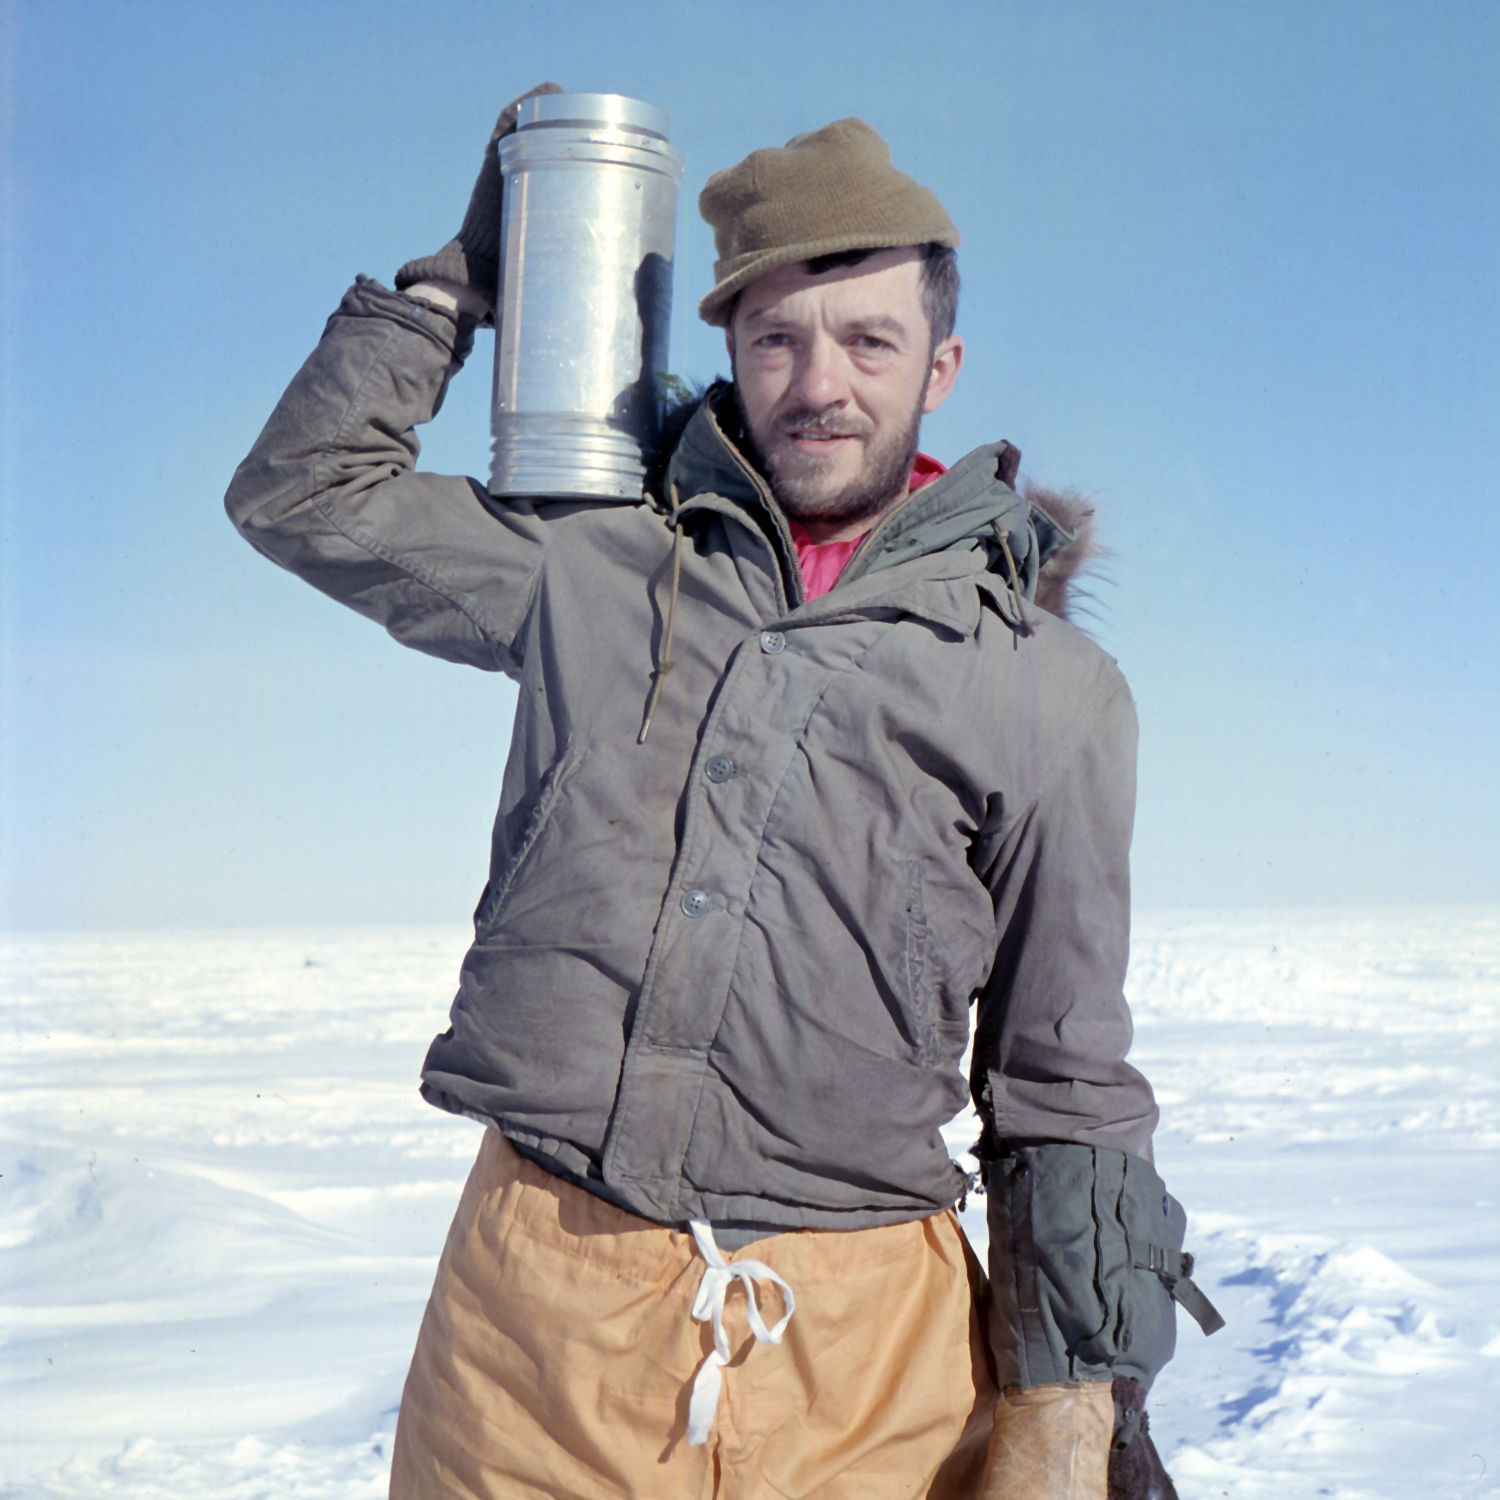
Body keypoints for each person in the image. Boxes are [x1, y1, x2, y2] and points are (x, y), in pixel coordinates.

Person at [226, 85, 1218, 1500]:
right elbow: (304, 494)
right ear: (734, 354)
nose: (822, 383)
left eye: (870, 340)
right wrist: (466, 282)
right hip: (537, 1315)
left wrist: (1075, 1410)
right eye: (778, 339)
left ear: (941, 365)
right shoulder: (593, 565)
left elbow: (1062, 1081)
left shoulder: (1044, 686)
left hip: (867, 1355)